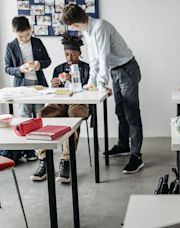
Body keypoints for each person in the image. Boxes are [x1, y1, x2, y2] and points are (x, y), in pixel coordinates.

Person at [61, 4, 144, 174]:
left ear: (74, 24)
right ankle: (123, 145)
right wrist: (91, 83)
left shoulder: (100, 27)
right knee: (120, 111)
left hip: (127, 69)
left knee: (131, 113)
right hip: (115, 70)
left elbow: (103, 56)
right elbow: (94, 59)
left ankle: (136, 155)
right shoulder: (87, 30)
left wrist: (101, 83)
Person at [31, 34, 90, 182]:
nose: (69, 58)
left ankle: (66, 161)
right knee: (43, 115)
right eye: (66, 54)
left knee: (74, 118)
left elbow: (92, 89)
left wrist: (76, 81)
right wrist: (54, 84)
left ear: (79, 53)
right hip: (60, 100)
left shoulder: (87, 68)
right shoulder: (58, 68)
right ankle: (44, 159)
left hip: (79, 102)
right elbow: (53, 93)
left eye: (73, 54)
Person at [5, 16, 52, 161]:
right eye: (21, 36)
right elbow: (7, 68)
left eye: (27, 35)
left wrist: (39, 64)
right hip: (22, 87)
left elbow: (47, 61)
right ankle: (28, 150)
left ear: (31, 30)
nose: (25, 38)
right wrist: (20, 69)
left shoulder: (37, 42)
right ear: (14, 32)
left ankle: (41, 149)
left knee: (39, 116)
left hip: (38, 85)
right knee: (25, 117)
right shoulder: (11, 46)